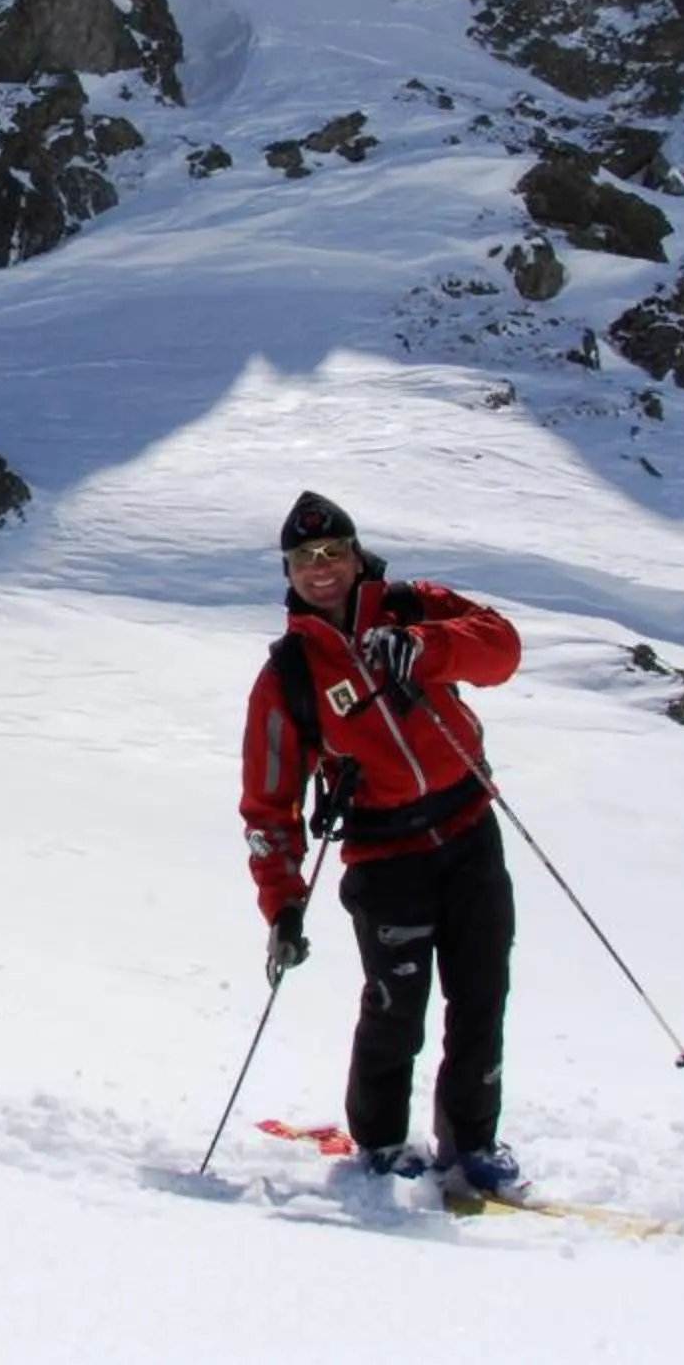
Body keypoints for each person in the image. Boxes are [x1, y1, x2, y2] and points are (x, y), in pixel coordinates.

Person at [239, 489, 526, 1192]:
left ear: (358, 555)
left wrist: (426, 649)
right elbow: (268, 803)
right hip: (384, 856)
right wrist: (282, 903)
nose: (321, 567)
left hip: (468, 829)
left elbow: (502, 652)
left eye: (333, 552)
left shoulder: (413, 607)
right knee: (397, 1008)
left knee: (481, 995)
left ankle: (471, 1145)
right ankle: (381, 1145)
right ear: (288, 574)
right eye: (304, 558)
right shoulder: (289, 676)